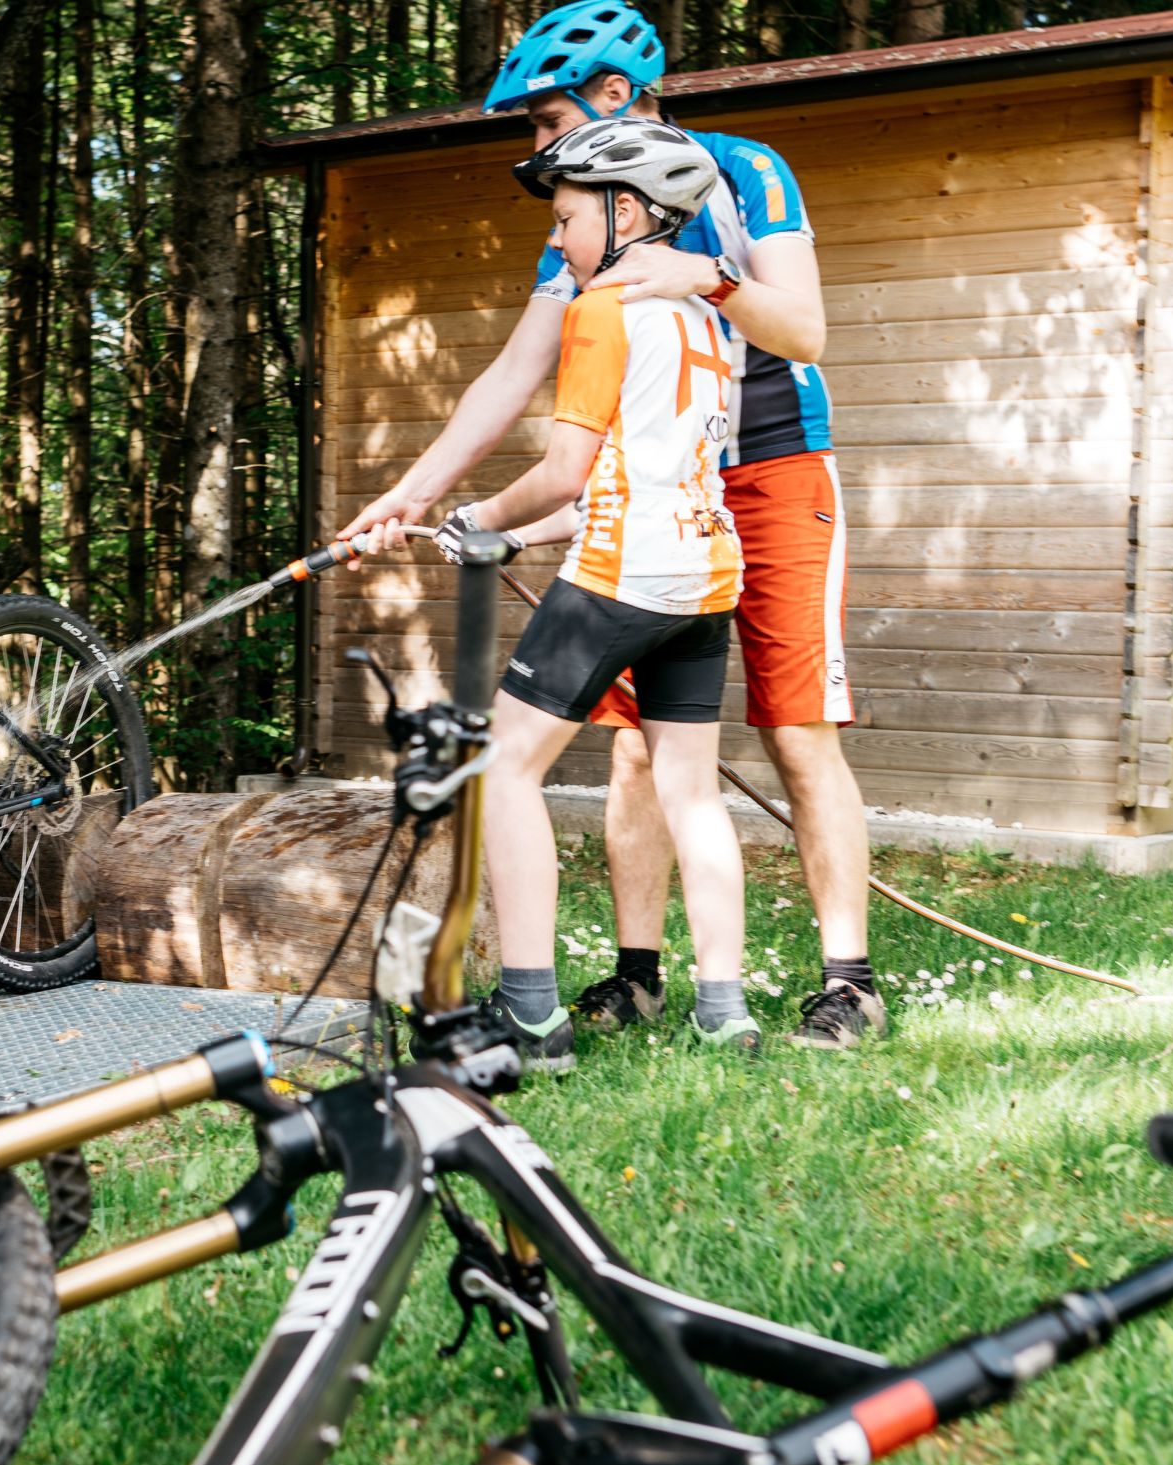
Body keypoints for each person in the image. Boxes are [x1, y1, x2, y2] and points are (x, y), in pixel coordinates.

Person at [341, 0, 885, 1052]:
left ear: (612, 97)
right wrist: (411, 494)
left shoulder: (747, 170)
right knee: (641, 747)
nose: (536, 151)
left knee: (793, 731)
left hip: (771, 466)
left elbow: (806, 329)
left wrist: (706, 278)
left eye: (544, 121)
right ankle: (638, 977)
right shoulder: (580, 229)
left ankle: (846, 984)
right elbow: (512, 373)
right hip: (651, 489)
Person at [370, 116, 755, 1070]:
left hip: (619, 579)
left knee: (503, 768)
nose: (557, 238)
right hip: (703, 580)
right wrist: (507, 531)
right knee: (693, 795)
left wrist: (481, 511)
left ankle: (533, 1018)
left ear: (629, 212)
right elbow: (650, 478)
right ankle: (725, 1012)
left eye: (569, 217)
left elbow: (566, 474)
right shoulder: (708, 320)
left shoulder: (600, 311)